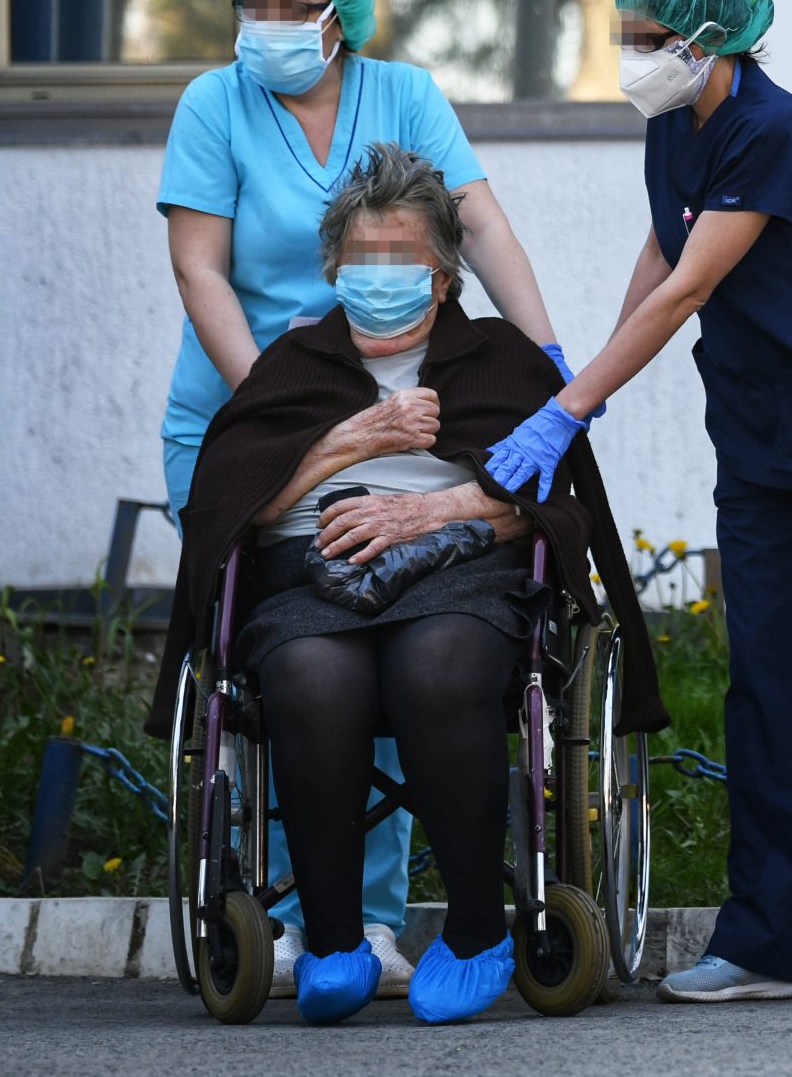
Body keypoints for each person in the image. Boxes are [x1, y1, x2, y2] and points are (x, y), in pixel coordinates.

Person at [486, 0, 792, 1006]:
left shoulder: (774, 128)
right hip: (757, 437)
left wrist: (575, 400)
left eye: (650, 39)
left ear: (706, 42)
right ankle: (763, 937)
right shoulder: (671, 124)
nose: (633, 55)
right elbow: (660, 251)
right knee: (758, 683)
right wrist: (590, 371)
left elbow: (693, 284)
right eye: (629, 35)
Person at [148, 144, 667, 1026]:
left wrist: (431, 514)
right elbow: (227, 506)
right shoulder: (293, 366)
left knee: (436, 666)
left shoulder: (502, 360)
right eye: (362, 261)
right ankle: (336, 939)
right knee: (312, 675)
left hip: (465, 574)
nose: (380, 278)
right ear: (334, 270)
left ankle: (474, 933)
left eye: (404, 262)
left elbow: (559, 509)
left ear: (441, 279)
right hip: (313, 577)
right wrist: (354, 440)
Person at [156, 0, 578, 999]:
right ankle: (319, 923)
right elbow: (202, 269)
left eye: (295, 7)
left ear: (340, 15)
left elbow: (480, 228)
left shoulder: (404, 95)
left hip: (416, 407)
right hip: (259, 386)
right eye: (254, 5)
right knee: (304, 638)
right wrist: (287, 408)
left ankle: (383, 922)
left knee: (421, 648)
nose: (270, 26)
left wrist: (550, 370)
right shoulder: (217, 105)